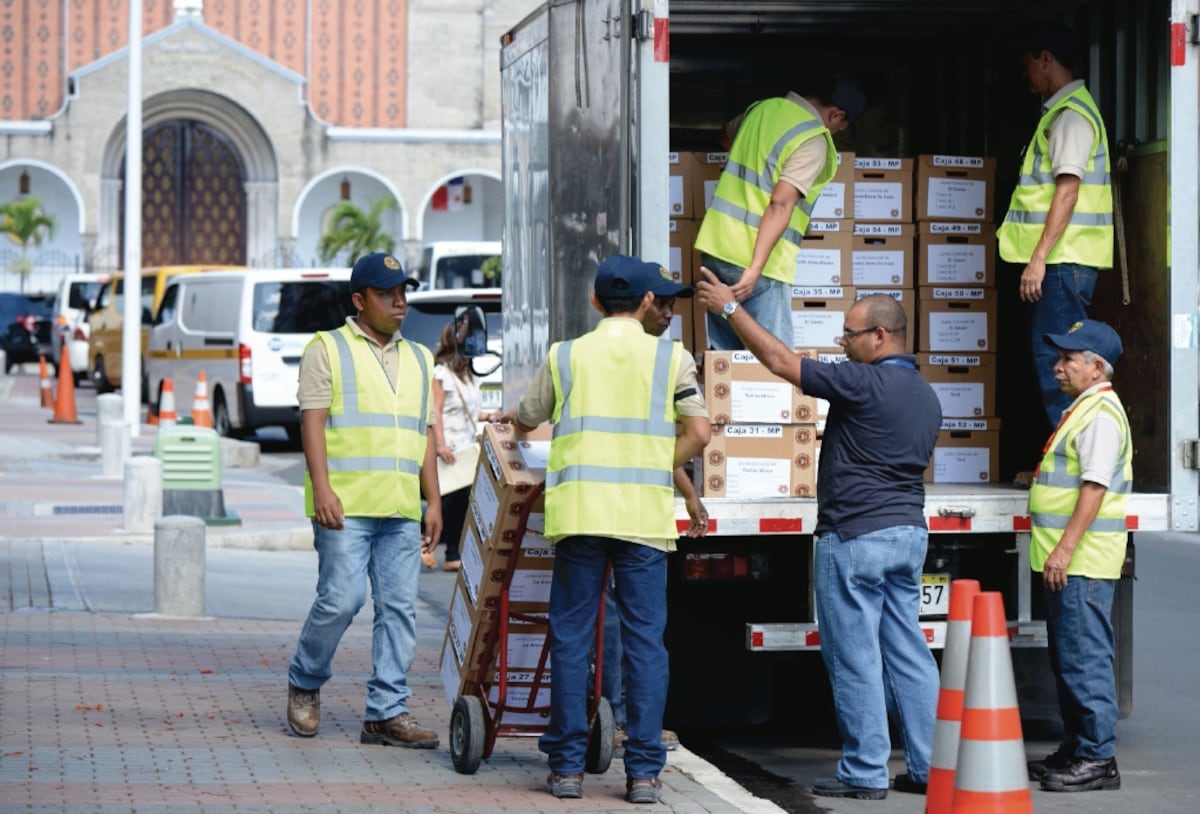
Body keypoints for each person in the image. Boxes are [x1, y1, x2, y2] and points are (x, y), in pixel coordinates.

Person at [695, 271, 941, 801]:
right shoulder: (926, 395)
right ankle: (928, 766)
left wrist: (729, 311)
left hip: (854, 537)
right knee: (909, 653)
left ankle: (865, 771)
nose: (842, 343)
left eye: (850, 334)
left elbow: (784, 364)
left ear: (881, 337)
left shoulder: (864, 382)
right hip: (908, 534)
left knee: (854, 656)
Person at [504, 254, 710, 804]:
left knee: (572, 638)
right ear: (646, 303)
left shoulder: (566, 355)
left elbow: (527, 416)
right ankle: (643, 773)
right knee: (645, 645)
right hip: (641, 517)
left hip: (581, 516)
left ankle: (567, 769)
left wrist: (512, 422)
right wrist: (660, 460)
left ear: (595, 302)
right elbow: (701, 431)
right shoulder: (672, 358)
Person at [286, 251, 442, 750]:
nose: (399, 302)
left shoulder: (420, 357)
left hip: (399, 507)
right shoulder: (327, 349)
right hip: (345, 506)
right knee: (342, 599)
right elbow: (312, 422)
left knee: (399, 608)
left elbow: (424, 435)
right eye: (386, 294)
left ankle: (386, 712)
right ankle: (305, 681)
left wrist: (432, 500)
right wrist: (323, 489)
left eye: (403, 293)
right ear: (359, 300)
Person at [603, 291, 710, 756]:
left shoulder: (660, 361)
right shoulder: (633, 359)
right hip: (615, 511)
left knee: (631, 629)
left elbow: (652, 446)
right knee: (623, 628)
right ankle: (619, 721)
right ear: (642, 304)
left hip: (626, 510)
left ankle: (628, 723)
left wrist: (689, 495)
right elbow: (684, 439)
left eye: (673, 308)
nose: (668, 315)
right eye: (661, 306)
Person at [1026, 319, 1130, 793]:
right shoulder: (1085, 409)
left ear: (1095, 366)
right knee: (1069, 660)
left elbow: (1094, 488)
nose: (1058, 366)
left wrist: (1064, 550)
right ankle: (1077, 748)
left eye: (1069, 359)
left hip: (1082, 562)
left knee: (1084, 660)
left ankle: (1097, 758)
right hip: (1073, 562)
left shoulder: (1101, 415)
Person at [694, 76, 865, 351]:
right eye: (842, 127)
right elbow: (781, 204)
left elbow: (725, 138)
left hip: (717, 249)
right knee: (771, 367)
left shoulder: (761, 110)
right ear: (836, 115)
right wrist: (755, 269)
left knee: (728, 362)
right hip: (757, 263)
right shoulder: (812, 139)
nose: (837, 132)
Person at [998, 24, 1113, 429]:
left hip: (1063, 264)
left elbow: (1067, 194)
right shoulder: (1061, 115)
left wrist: (1038, 260)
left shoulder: (1070, 118)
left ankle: (1068, 459)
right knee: (1056, 363)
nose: (1025, 74)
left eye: (1028, 64)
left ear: (1046, 59)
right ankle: (1060, 453)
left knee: (1062, 367)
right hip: (1064, 263)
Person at [429, 316, 500, 572]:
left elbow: (470, 410)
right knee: (452, 501)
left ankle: (448, 551)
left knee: (462, 500)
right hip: (448, 447)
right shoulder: (441, 374)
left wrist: (490, 416)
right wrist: (440, 444)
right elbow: (435, 411)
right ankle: (443, 549)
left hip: (466, 447)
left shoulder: (469, 375)